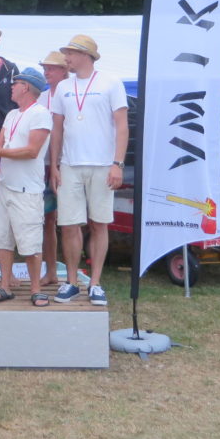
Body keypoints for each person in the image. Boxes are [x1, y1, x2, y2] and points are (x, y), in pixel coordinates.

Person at [49, 35, 129, 306]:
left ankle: (95, 283)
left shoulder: (111, 82)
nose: (66, 58)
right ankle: (72, 282)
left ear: (85, 55)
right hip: (70, 165)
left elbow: (122, 126)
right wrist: (54, 165)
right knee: (69, 225)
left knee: (99, 223)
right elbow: (57, 128)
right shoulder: (63, 87)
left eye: (70, 53)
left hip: (103, 165)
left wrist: (118, 163)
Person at [0, 68, 53, 306]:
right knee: (2, 239)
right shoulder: (11, 114)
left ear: (26, 87)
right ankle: (4, 286)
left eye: (15, 83)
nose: (11, 86)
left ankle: (36, 289)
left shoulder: (41, 113)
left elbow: (32, 151)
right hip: (5, 186)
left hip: (26, 189)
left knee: (30, 243)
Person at [37, 51, 69, 284]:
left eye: (51, 68)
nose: (46, 72)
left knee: (69, 221)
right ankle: (50, 272)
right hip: (43, 164)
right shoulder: (41, 97)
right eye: (44, 68)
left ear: (64, 70)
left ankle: (70, 274)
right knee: (46, 220)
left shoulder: (73, 94)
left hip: (67, 163)